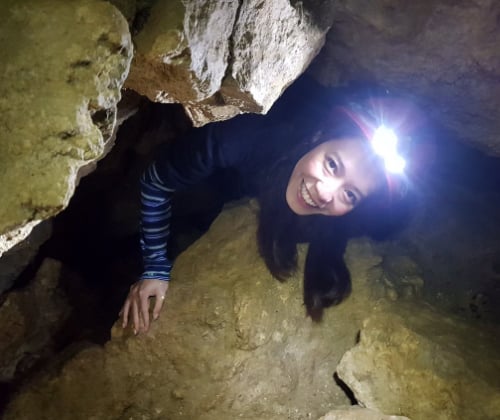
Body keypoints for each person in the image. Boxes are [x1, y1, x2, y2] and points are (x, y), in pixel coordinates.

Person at [120, 76, 426, 334]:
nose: (325, 192)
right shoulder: (245, 137)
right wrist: (156, 267)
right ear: (318, 137)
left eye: (351, 194)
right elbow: (157, 182)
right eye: (332, 165)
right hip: (214, 160)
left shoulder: (344, 215)